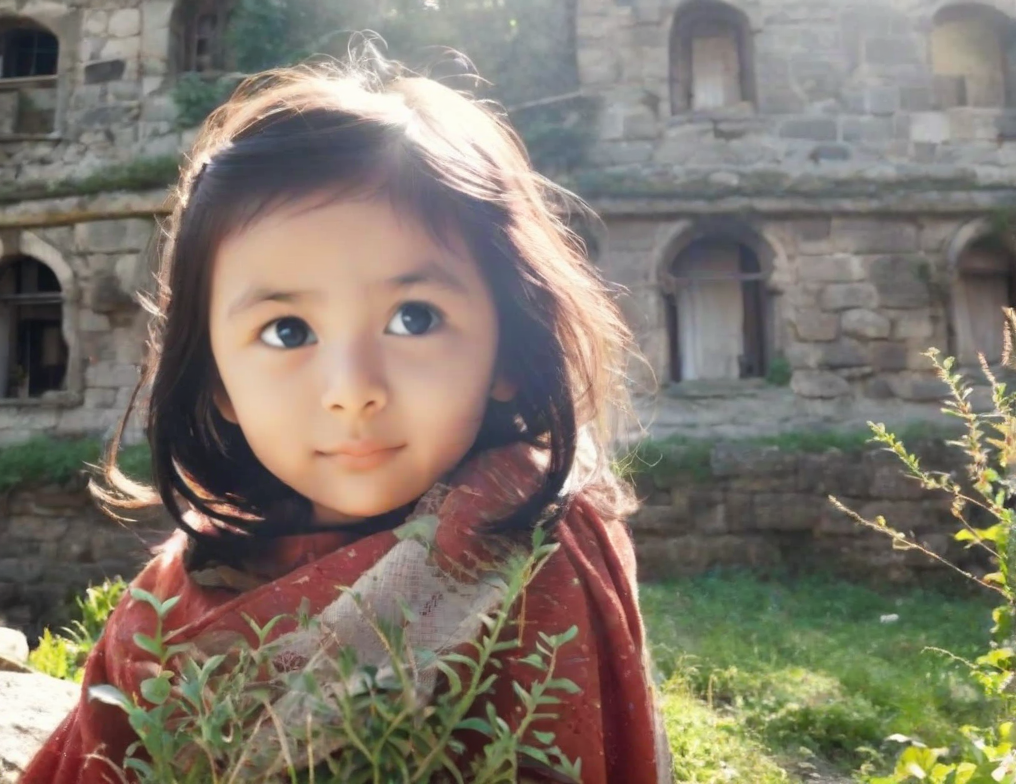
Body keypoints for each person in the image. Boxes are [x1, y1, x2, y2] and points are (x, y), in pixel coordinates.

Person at [21, 55, 671, 784]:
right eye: (287, 331)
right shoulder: (163, 615)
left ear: (505, 350)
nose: (352, 390)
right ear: (217, 380)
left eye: (414, 317)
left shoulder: (541, 560)